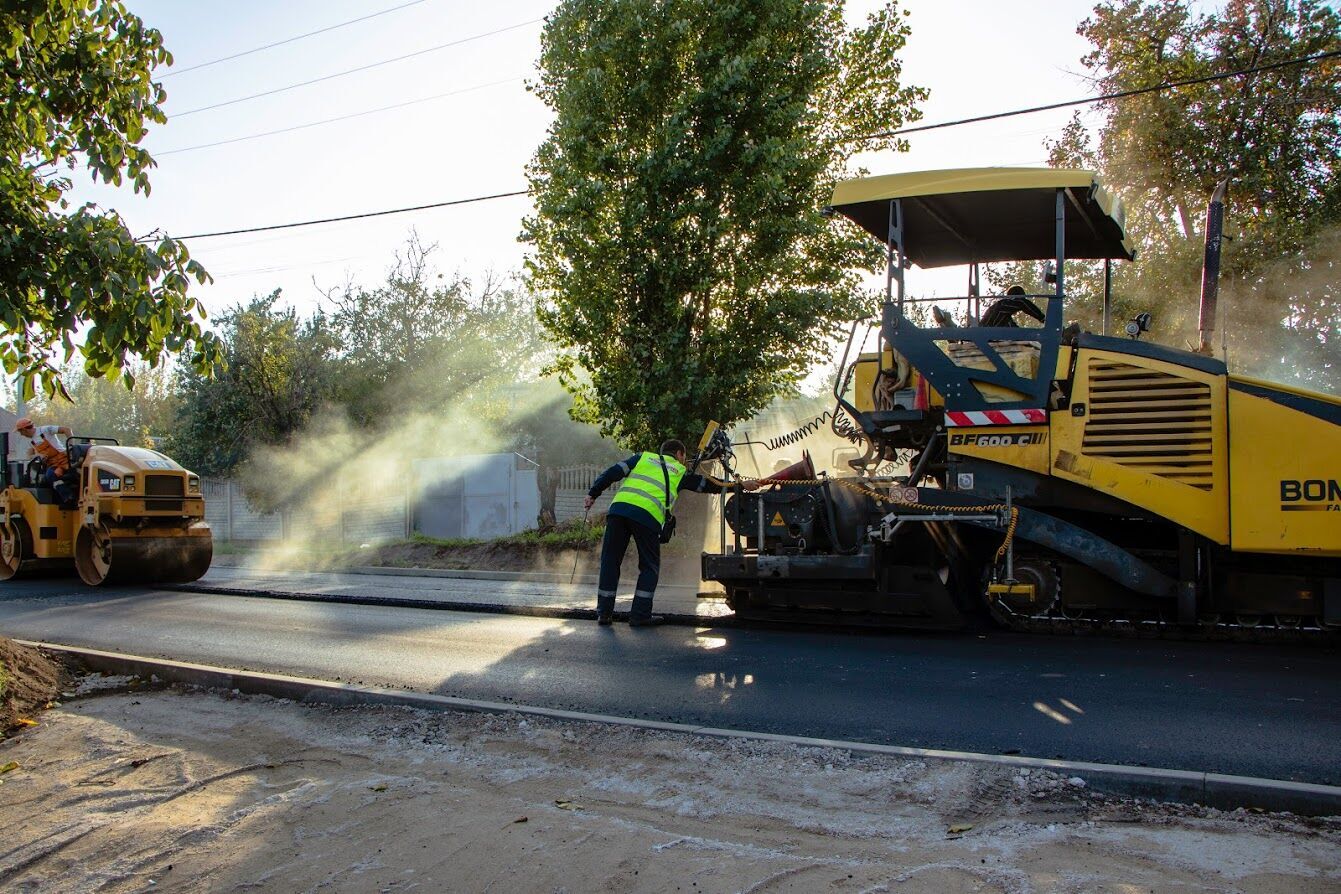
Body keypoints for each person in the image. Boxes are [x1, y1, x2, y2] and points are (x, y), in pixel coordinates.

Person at [585, 439, 759, 627]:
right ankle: (639, 616)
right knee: (649, 567)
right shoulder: (679, 471)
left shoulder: (642, 457)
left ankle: (604, 614)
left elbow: (613, 472)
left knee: (610, 561)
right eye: (684, 457)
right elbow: (710, 485)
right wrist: (740, 485)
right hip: (647, 516)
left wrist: (592, 494)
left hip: (618, 511)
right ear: (679, 454)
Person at [15, 417, 76, 506]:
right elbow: (29, 455)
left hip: (64, 460)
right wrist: (38, 455)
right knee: (42, 481)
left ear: (24, 430)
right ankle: (57, 502)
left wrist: (71, 447)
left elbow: (67, 430)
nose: (21, 434)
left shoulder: (45, 430)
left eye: (20, 432)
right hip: (51, 464)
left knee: (50, 475)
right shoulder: (31, 442)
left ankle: (69, 497)